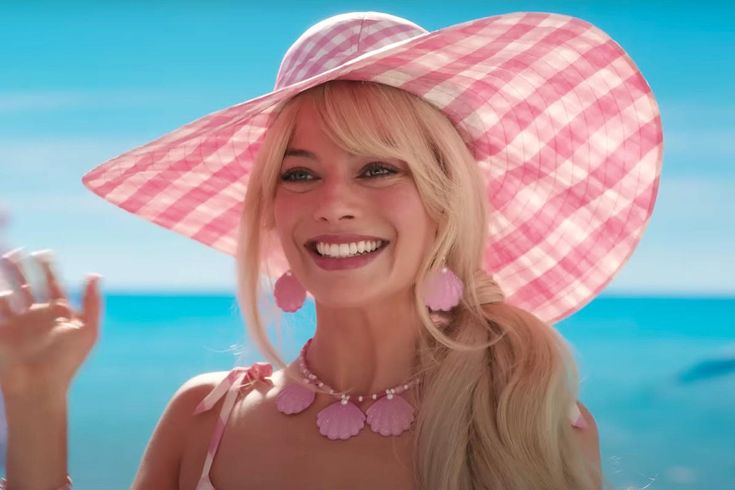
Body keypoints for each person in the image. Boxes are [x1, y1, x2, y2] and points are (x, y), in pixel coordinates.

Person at [0, 10, 662, 490]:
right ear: (271, 209)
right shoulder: (204, 421)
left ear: (444, 203)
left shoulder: (531, 427)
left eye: (377, 169)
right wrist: (35, 402)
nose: (332, 202)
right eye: (298, 173)